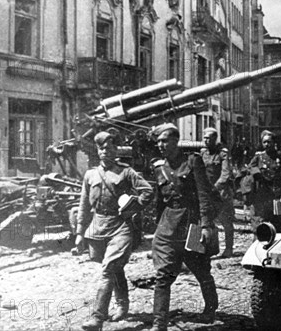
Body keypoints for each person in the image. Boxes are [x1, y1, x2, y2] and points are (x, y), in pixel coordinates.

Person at [76, 131, 154, 331]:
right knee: (113, 267)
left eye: (110, 148)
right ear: (97, 150)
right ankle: (122, 304)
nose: (106, 151)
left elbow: (147, 191)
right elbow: (84, 204)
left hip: (121, 226)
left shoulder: (126, 172)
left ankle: (97, 318)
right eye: (102, 148)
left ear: (116, 150)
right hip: (97, 227)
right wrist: (79, 232)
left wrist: (133, 207)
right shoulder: (90, 175)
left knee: (108, 269)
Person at [150, 123, 219, 330]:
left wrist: (206, 225)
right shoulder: (158, 166)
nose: (161, 145)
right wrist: (156, 226)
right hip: (168, 225)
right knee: (163, 275)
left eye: (165, 140)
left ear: (175, 140)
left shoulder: (192, 161)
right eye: (158, 141)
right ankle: (159, 323)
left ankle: (210, 308)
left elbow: (204, 195)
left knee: (201, 270)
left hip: (192, 224)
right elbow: (159, 201)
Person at [248, 130, 281, 232]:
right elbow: (250, 169)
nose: (266, 144)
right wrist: (257, 174)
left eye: (269, 142)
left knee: (278, 228)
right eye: (264, 142)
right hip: (262, 198)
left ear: (274, 143)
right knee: (259, 228)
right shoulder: (258, 157)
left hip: (277, 197)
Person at [200, 127, 235, 258]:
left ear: (215, 139)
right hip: (207, 193)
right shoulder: (203, 153)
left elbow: (226, 174)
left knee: (226, 221)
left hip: (221, 193)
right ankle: (210, 249)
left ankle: (229, 249)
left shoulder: (223, 154)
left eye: (209, 138)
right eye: (204, 138)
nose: (206, 140)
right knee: (207, 221)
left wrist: (215, 188)